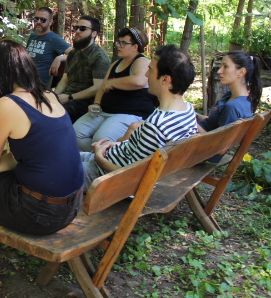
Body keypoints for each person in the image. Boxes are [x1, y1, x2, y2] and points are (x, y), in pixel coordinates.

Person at [0, 40, 84, 298]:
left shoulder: (7, 105)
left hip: (41, 213)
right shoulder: (49, 96)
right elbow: (20, 158)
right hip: (72, 206)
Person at [79, 44, 198, 189]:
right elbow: (142, 151)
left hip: (104, 176)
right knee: (63, 156)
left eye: (151, 70)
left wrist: (99, 157)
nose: (146, 75)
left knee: (55, 168)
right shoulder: (186, 110)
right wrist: (115, 145)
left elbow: (130, 177)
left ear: (165, 80)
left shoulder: (156, 125)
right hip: (113, 158)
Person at [73, 27, 155, 151]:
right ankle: (96, 155)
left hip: (129, 113)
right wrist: (96, 104)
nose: (119, 46)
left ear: (135, 47)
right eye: (119, 42)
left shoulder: (141, 61)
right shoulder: (116, 64)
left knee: (101, 139)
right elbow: (102, 88)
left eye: (124, 43)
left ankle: (102, 156)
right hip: (104, 111)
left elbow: (139, 81)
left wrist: (112, 83)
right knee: (75, 133)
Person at [53, 16, 111, 123]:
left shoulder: (99, 57)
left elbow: (98, 88)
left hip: (86, 103)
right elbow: (65, 80)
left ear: (94, 33)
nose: (77, 31)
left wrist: (70, 97)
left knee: (57, 115)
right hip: (67, 97)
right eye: (76, 28)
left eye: (83, 29)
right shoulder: (73, 53)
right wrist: (54, 96)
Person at [197, 50, 262, 132]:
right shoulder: (231, 96)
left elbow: (219, 139)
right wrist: (192, 115)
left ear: (241, 72)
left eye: (226, 66)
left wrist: (190, 124)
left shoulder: (233, 106)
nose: (219, 71)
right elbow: (212, 122)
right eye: (221, 66)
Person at [25, 7, 72, 87]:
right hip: (25, 78)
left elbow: (76, 54)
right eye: (36, 19)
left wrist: (60, 58)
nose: (38, 22)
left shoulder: (54, 39)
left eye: (42, 20)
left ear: (50, 22)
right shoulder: (33, 36)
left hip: (38, 85)